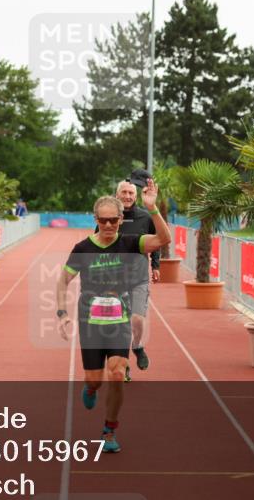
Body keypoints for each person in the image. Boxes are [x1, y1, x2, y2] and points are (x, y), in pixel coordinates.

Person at [56, 179, 170, 453]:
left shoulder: (132, 243)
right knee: (95, 379)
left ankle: (109, 430)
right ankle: (92, 388)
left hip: (119, 322)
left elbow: (164, 240)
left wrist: (152, 209)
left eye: (113, 221)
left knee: (117, 374)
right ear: (96, 220)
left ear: (121, 219)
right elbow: (62, 282)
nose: (108, 226)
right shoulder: (83, 249)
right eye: (103, 221)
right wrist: (62, 314)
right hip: (90, 324)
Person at [95, 177, 159, 378]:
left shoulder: (145, 218)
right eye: (124, 192)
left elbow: (156, 241)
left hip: (139, 278)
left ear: (136, 195)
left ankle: (137, 346)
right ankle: (123, 366)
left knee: (137, 320)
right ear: (117, 195)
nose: (128, 196)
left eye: (131, 193)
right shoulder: (107, 218)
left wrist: (155, 265)